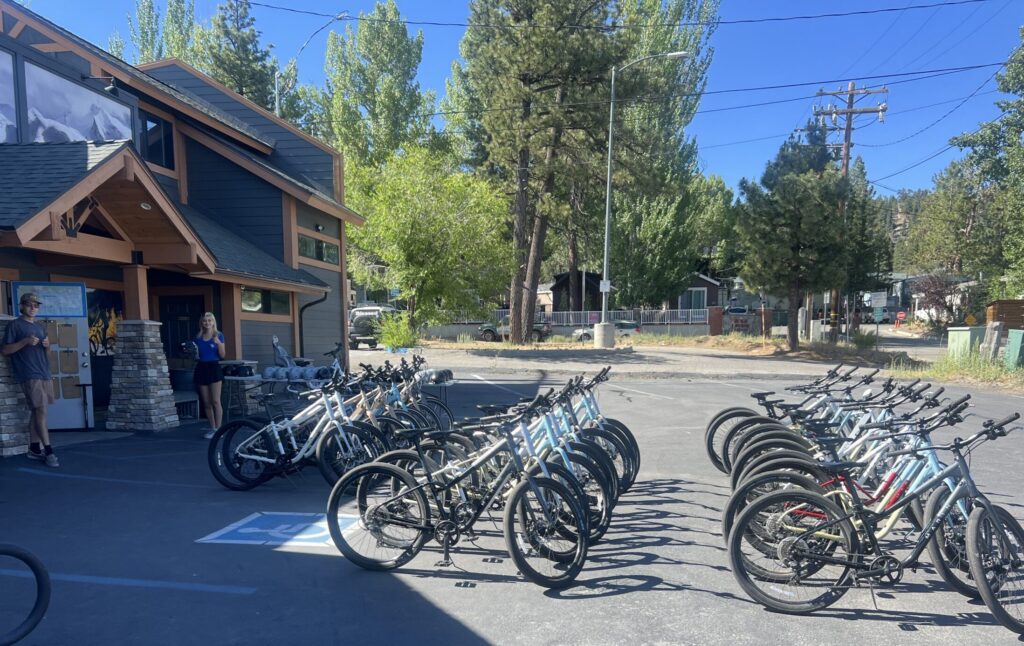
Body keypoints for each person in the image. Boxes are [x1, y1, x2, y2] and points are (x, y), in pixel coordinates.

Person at [2, 293, 58, 467]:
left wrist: (47, 347)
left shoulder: (41, 326)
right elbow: (5, 350)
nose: (33, 308)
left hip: (44, 373)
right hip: (28, 373)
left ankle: (34, 449)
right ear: (21, 306)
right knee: (41, 410)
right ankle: (48, 450)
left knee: (38, 410)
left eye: (36, 305)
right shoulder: (15, 325)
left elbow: (47, 354)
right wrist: (25, 341)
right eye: (29, 304)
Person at [193, 312, 225, 440]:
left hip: (214, 368)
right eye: (205, 321)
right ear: (202, 323)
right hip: (201, 368)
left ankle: (219, 429)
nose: (207, 323)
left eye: (209, 320)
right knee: (206, 402)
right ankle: (213, 428)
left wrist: (219, 343)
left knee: (216, 401)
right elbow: (196, 356)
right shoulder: (198, 337)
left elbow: (222, 355)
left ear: (213, 322)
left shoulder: (219, 335)